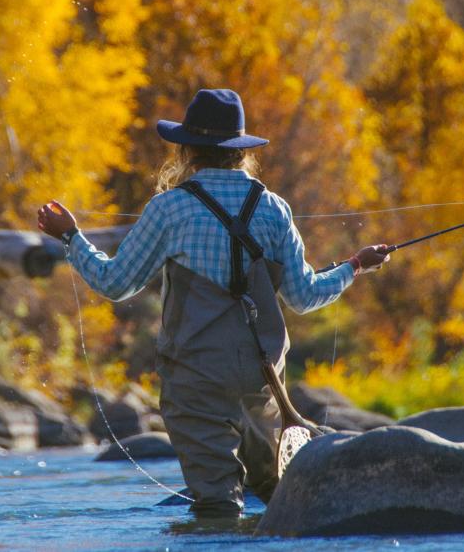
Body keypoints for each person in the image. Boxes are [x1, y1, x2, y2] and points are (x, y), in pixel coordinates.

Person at [37, 88, 390, 518]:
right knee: (276, 499)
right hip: (262, 382)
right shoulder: (274, 209)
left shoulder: (169, 209)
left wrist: (71, 238)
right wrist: (354, 266)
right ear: (240, 152)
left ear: (186, 150)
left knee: (217, 506)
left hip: (195, 377)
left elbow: (116, 284)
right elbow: (305, 296)